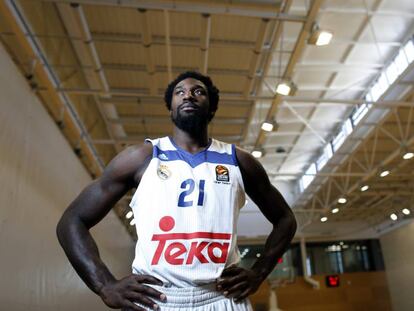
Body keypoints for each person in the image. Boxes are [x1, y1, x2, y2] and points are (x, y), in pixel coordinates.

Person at [57, 71, 297, 311]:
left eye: (198, 92)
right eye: (179, 92)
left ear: (212, 108)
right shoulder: (141, 158)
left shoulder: (238, 161)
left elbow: (285, 219)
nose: (188, 96)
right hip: (155, 299)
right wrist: (104, 285)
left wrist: (259, 272)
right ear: (170, 109)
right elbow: (72, 221)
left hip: (221, 297)